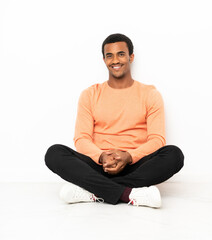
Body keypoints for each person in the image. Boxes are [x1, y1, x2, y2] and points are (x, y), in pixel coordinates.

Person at [45, 33, 184, 208]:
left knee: (174, 155)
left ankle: (93, 191)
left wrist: (128, 157)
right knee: (54, 153)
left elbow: (157, 139)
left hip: (135, 163)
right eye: (109, 55)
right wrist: (102, 157)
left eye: (121, 54)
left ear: (131, 57)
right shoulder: (90, 94)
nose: (115, 60)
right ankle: (129, 193)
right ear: (104, 60)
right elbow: (81, 139)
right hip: (99, 164)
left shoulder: (150, 94)